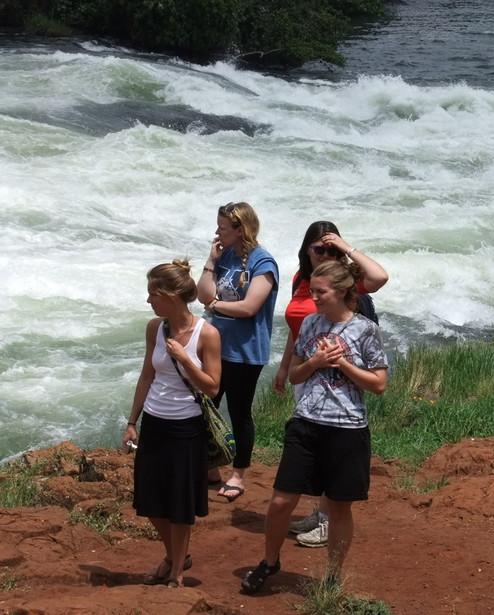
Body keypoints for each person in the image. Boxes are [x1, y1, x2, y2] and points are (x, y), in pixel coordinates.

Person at [242, 259, 389, 594]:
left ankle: (333, 575)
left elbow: (378, 384)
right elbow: (295, 374)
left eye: (320, 292)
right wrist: (315, 362)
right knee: (281, 501)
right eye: (312, 291)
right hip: (305, 423)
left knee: (338, 507)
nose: (314, 298)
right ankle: (269, 561)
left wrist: (341, 363)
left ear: (340, 292)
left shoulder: (366, 330)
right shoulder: (308, 324)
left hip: (347, 429)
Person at [272, 220, 388, 548]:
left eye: (331, 249)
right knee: (313, 442)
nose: (325, 254)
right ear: (306, 248)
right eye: (319, 247)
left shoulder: (343, 283)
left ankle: (326, 520)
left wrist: (345, 246)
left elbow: (379, 277)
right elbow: (299, 329)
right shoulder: (302, 281)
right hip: (308, 363)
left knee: (333, 442)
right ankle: (320, 513)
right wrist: (285, 368)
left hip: (340, 371)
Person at [122, 259, 222, 588]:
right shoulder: (155, 327)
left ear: (173, 295)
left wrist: (184, 359)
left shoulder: (207, 334)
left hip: (186, 428)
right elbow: (147, 375)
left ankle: (177, 571)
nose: (149, 300)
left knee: (180, 505)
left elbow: (211, 386)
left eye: (154, 294)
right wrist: (132, 421)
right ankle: (173, 555)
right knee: (149, 500)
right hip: (154, 422)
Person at [197, 202, 279, 502]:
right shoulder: (226, 256)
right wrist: (210, 260)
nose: (217, 231)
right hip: (216, 346)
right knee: (206, 407)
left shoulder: (263, 262)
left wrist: (215, 306)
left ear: (240, 229)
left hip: (245, 351)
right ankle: (210, 466)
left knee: (239, 413)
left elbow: (248, 307)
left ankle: (238, 474)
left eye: (222, 227)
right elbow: (203, 294)